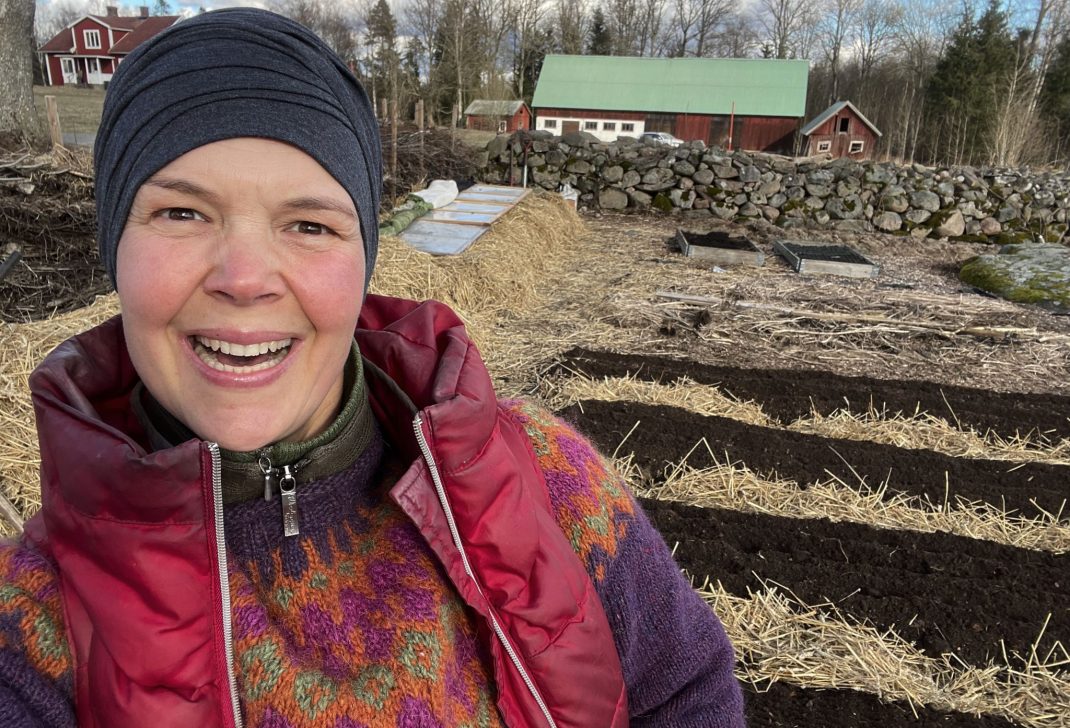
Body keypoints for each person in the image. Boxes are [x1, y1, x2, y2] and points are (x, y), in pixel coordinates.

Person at [0, 9, 745, 728]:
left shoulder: (544, 484)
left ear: (363, 266)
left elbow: (681, 689)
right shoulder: (32, 628)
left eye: (310, 224)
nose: (246, 277)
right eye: (182, 214)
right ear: (114, 248)